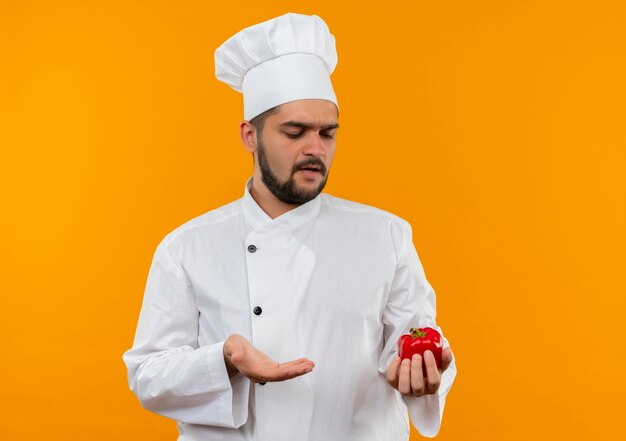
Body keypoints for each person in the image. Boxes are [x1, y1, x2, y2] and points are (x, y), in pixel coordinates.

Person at [123, 12, 457, 441]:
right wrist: (224, 357)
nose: (314, 149)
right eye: (295, 132)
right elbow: (148, 376)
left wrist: (420, 374)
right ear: (250, 135)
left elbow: (417, 338)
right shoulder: (188, 247)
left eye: (327, 133)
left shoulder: (385, 236)